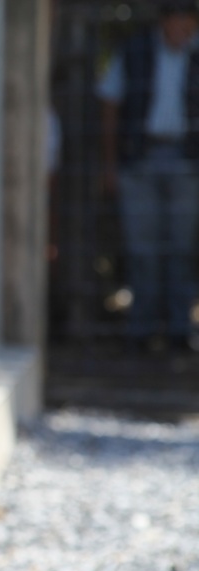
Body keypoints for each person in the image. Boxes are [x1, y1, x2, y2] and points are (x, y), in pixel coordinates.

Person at [97, 0, 199, 349]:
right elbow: (110, 104)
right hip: (139, 161)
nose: (184, 31)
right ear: (165, 21)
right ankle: (140, 331)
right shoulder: (133, 51)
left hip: (186, 163)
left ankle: (179, 331)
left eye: (191, 25)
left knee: (181, 250)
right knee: (143, 251)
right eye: (180, 23)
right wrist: (111, 164)